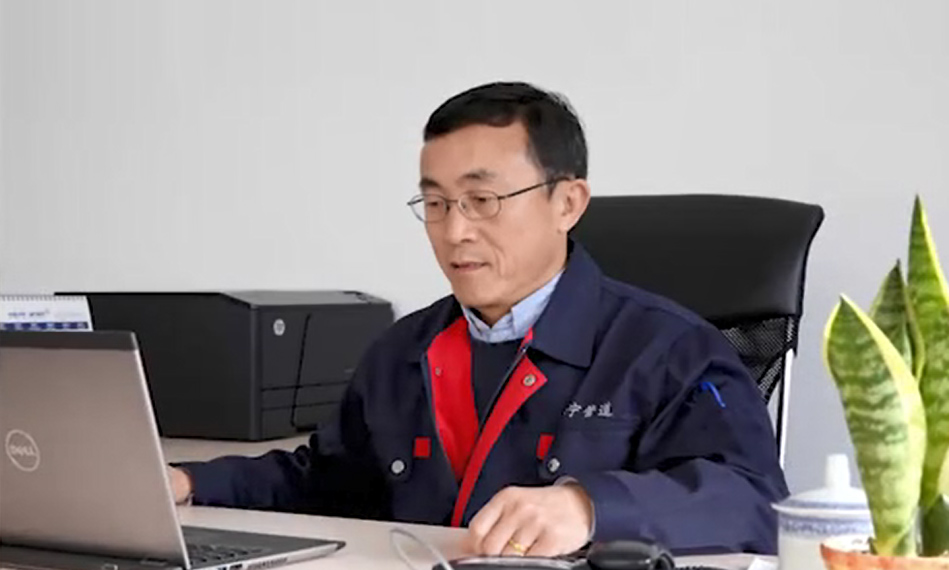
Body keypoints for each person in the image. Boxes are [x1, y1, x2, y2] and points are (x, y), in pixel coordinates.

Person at [168, 81, 788, 557]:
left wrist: (590, 508)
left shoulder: (670, 349)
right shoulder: (403, 351)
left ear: (567, 203)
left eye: (482, 200)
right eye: (435, 202)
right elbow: (327, 481)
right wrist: (188, 482)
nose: (454, 230)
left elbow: (757, 503)